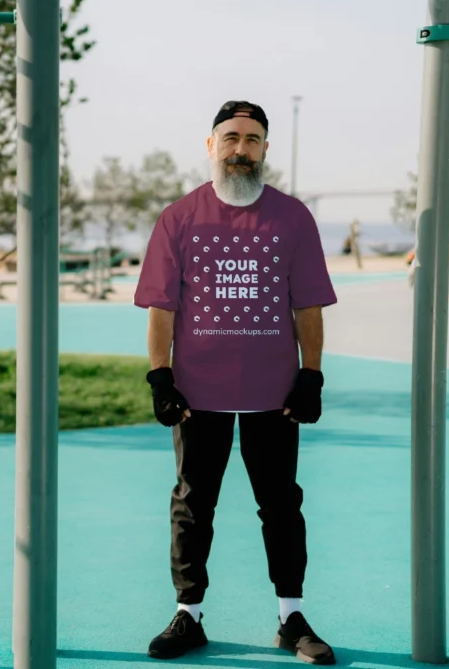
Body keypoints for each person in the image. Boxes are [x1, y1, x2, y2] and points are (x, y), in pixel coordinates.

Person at [133, 100, 338, 664]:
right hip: (200, 396)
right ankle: (188, 615)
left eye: (252, 138)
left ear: (265, 147)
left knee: (281, 505)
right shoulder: (179, 218)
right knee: (193, 504)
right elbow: (161, 308)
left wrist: (311, 375)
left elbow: (309, 305)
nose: (241, 149)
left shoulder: (293, 218)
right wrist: (160, 377)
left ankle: (291, 617)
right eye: (230, 138)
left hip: (274, 395)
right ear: (210, 146)